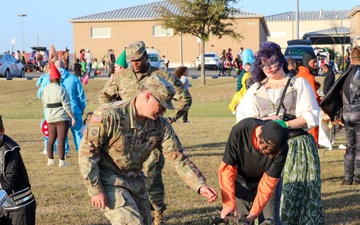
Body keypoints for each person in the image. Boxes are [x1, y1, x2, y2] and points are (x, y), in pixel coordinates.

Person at [79, 75, 217, 225]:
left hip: (135, 180)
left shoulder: (160, 126)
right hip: (109, 179)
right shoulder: (109, 115)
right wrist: (95, 189)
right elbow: (87, 153)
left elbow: (178, 157)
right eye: (162, 106)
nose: (163, 111)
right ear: (148, 96)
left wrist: (200, 185)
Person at [99, 40, 192, 225]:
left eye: (138, 59)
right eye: (131, 60)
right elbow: (104, 96)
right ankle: (135, 207)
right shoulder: (121, 77)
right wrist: (114, 109)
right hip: (128, 134)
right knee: (130, 172)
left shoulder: (161, 76)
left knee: (152, 175)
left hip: (152, 134)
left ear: (145, 57)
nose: (134, 63)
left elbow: (185, 99)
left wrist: (170, 119)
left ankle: (157, 213)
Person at [236, 41, 323, 224]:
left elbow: (311, 117)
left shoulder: (298, 84)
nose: (269, 68)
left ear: (281, 60)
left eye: (273, 62)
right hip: (266, 149)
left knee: (293, 194)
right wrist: (261, 126)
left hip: (295, 147)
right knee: (269, 195)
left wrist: (283, 124)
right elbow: (243, 118)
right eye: (264, 64)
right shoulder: (256, 88)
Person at [219, 118, 289, 225]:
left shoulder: (281, 148)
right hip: (241, 180)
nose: (263, 155)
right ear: (259, 132)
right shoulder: (239, 131)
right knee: (242, 220)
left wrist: (253, 214)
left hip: (265, 179)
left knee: (270, 221)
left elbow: (269, 182)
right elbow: (227, 169)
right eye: (263, 148)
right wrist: (229, 204)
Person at [320, 46, 360, 185]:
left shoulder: (346, 73)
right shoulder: (358, 73)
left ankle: (347, 178)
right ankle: (357, 178)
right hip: (358, 113)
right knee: (359, 146)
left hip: (347, 113)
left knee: (350, 146)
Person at [37, 45, 87, 155]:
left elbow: (40, 95)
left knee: (59, 134)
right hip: (74, 109)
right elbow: (81, 96)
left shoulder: (47, 79)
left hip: (55, 112)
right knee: (77, 132)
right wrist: (82, 108)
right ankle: (80, 151)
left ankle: (63, 152)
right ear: (64, 66)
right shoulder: (73, 78)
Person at [0, 115, 37, 225]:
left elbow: (10, 181)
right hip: (3, 205)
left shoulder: (10, 150)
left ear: (2, 131)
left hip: (20, 207)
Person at [41, 61, 75, 166]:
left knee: (51, 138)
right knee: (61, 139)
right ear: (58, 79)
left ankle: (50, 160)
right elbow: (66, 105)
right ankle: (62, 161)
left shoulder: (45, 90)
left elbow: (44, 104)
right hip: (61, 117)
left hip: (50, 117)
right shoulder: (62, 89)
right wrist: (72, 117)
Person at [297, 53, 321, 146]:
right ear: (307, 62)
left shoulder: (298, 74)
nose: (316, 64)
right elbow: (314, 97)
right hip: (310, 110)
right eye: (313, 62)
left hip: (299, 111)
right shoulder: (309, 77)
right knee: (312, 133)